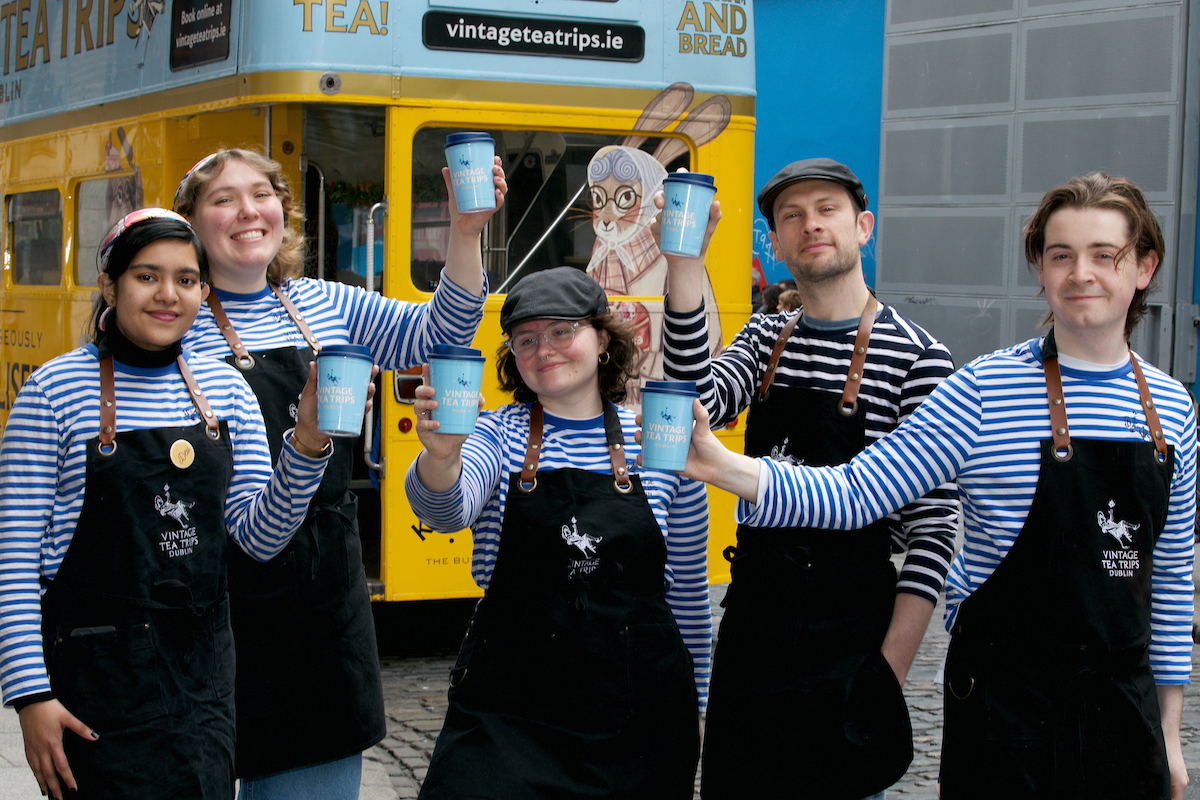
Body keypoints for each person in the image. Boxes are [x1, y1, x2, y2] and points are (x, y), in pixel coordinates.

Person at [677, 173, 1196, 800]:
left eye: (1104, 255)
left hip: (1123, 717)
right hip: (1007, 716)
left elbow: (1170, 578)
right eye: (1061, 255)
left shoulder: (1172, 408)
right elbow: (855, 493)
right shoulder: (983, 390)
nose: (1081, 273)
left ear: (1144, 268)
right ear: (1039, 267)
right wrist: (722, 466)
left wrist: (1170, 734)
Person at [174, 148, 506, 799]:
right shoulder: (173, 320)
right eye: (223, 199)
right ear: (191, 223)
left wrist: (466, 232)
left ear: (283, 212)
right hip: (211, 593)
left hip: (319, 601)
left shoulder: (322, 302)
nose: (248, 211)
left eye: (262, 195)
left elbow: (443, 331)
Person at [0, 209, 340, 800]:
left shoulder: (227, 389)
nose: (167, 295)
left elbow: (258, 539)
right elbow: (13, 558)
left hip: (203, 679)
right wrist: (31, 696)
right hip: (96, 683)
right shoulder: (53, 392)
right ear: (110, 287)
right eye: (146, 276)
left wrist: (307, 445)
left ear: (203, 293)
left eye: (185, 280)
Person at [657, 158, 959, 800]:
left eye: (826, 210)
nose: (810, 225)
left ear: (863, 226)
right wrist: (684, 264)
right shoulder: (766, 338)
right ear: (775, 241)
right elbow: (693, 404)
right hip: (754, 626)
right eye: (791, 216)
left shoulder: (919, 357)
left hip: (848, 637)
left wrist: (886, 673)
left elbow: (933, 533)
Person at [405, 267, 710, 799]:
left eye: (561, 331)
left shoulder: (659, 441)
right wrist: (442, 455)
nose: (543, 348)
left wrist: (699, 704)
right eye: (526, 339)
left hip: (635, 716)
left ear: (603, 340)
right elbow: (446, 509)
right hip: (511, 710)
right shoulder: (495, 435)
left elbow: (687, 591)